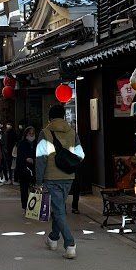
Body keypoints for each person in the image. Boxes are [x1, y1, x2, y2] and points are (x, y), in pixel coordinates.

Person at [36, 105, 81, 258]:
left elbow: (40, 159)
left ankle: (70, 244)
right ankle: (53, 238)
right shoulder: (72, 132)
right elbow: (80, 154)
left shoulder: (45, 133)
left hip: (51, 177)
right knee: (59, 209)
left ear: (49, 117)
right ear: (64, 116)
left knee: (59, 211)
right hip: (68, 176)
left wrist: (38, 180)